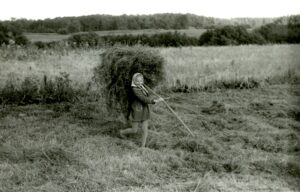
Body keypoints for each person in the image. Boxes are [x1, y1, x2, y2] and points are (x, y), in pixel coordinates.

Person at [120, 73, 163, 147]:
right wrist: (155, 101)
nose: (139, 83)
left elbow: (148, 96)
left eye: (141, 81)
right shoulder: (135, 89)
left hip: (144, 110)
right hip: (137, 110)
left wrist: (156, 98)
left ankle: (142, 147)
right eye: (137, 81)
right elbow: (144, 99)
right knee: (134, 130)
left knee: (145, 130)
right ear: (134, 81)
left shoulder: (142, 87)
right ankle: (121, 132)